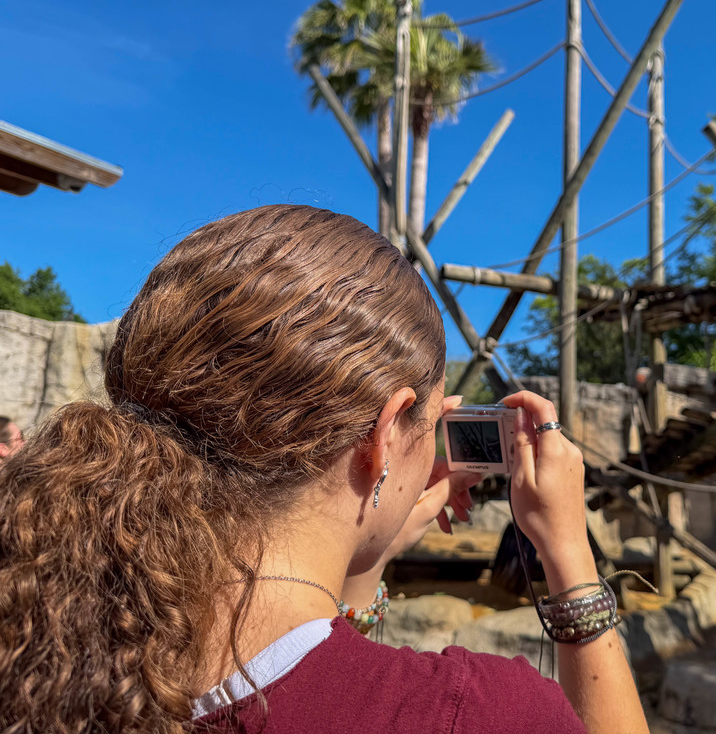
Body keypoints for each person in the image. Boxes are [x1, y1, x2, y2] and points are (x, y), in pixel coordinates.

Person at [0, 205, 648, 734]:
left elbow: (318, 664)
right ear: (386, 432)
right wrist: (569, 553)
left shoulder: (47, 636)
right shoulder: (474, 714)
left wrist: (366, 554)